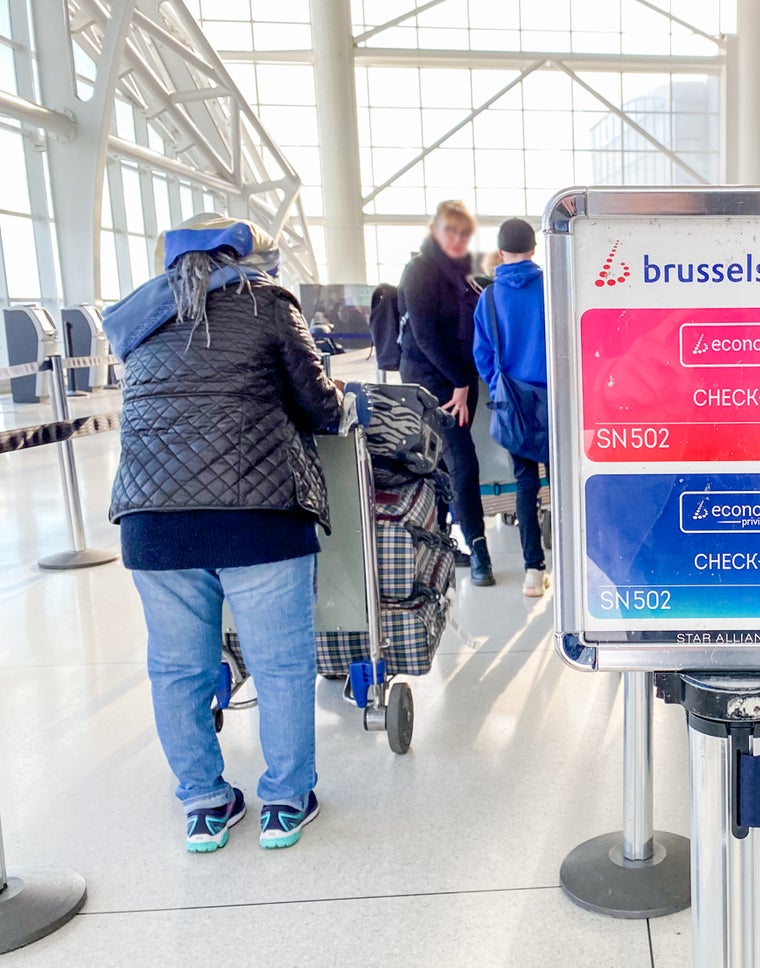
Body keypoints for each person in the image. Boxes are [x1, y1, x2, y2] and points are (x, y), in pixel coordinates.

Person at [102, 216, 342, 852]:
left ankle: (206, 807)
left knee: (177, 670)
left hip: (153, 522)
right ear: (244, 255)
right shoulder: (266, 302)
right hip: (255, 515)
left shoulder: (138, 318)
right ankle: (286, 803)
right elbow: (320, 406)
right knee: (281, 665)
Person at [399, 199, 494, 586]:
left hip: (460, 380)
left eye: (463, 233)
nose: (457, 239)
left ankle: (443, 543)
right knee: (461, 462)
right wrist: (459, 380)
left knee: (443, 464)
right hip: (434, 381)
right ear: (435, 231)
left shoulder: (461, 273)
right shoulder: (420, 270)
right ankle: (479, 550)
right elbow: (423, 335)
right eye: (450, 231)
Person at [473, 219, 550, 599]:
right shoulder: (553, 288)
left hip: (514, 405)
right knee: (565, 485)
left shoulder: (488, 299)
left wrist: (504, 382)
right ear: (534, 250)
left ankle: (533, 572)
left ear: (501, 253)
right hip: (555, 402)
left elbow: (483, 358)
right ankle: (571, 566)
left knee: (525, 484)